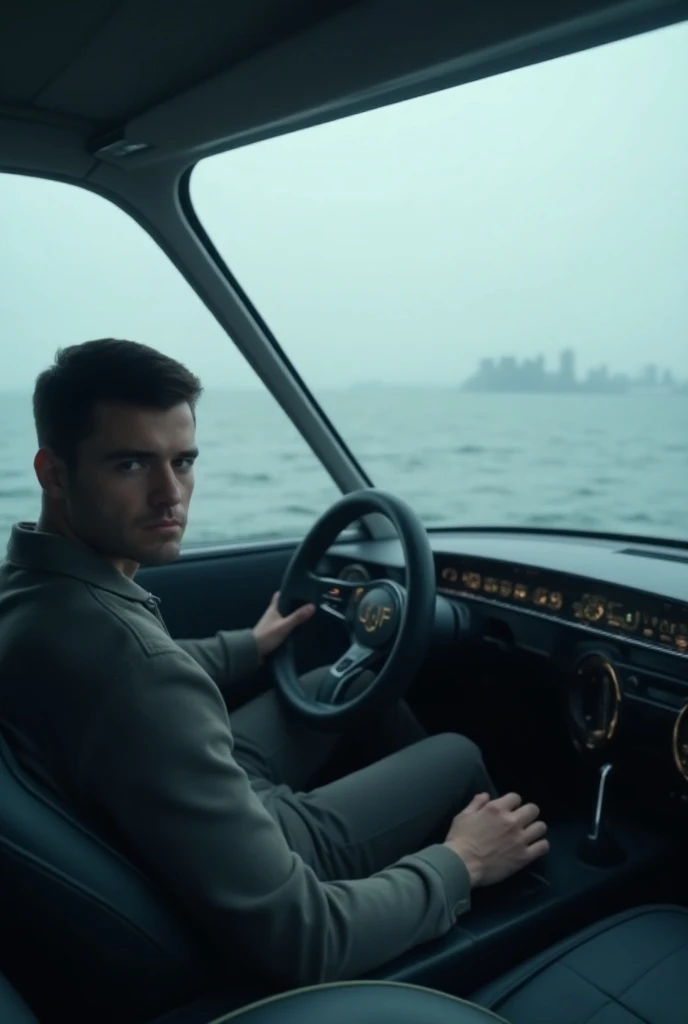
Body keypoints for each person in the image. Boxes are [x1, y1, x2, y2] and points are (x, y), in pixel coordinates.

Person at [0, 339, 549, 990]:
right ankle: (505, 906)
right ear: (54, 472)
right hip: (254, 857)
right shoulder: (138, 669)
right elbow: (306, 940)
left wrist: (248, 646)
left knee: (347, 681)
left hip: (156, 808)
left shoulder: (32, 594)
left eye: (183, 461)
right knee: (456, 754)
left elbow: (138, 676)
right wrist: (461, 860)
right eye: (130, 465)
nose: (170, 494)